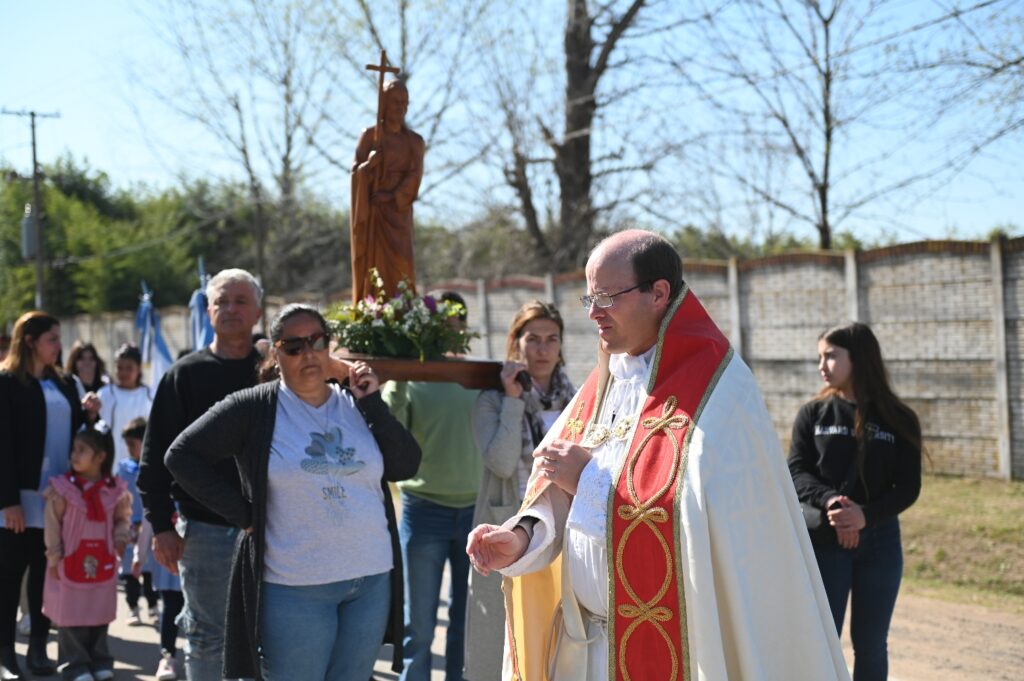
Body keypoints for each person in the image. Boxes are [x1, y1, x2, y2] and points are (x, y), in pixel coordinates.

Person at [466, 230, 849, 681]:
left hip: (678, 655)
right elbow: (560, 493)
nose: (593, 313)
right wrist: (524, 536)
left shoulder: (720, 394)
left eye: (606, 296)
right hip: (580, 650)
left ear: (659, 293)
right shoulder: (605, 382)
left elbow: (694, 518)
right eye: (588, 297)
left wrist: (588, 478)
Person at [165, 304, 421, 681]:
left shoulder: (355, 402)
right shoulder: (253, 408)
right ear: (275, 351)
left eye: (316, 342)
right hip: (295, 587)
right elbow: (181, 456)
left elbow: (405, 465)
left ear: (329, 346)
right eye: (294, 346)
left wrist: (372, 401)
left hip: (370, 580)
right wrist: (244, 514)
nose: (308, 353)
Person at [137, 268, 263, 681]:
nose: (230, 309)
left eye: (240, 300)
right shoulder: (183, 375)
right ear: (207, 311)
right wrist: (161, 526)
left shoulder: (277, 372)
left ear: (258, 311)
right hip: (205, 532)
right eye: (221, 302)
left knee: (267, 635)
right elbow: (156, 458)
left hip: (274, 529)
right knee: (207, 636)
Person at [788, 322, 923, 681]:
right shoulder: (812, 415)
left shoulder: (898, 419)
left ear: (859, 359)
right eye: (820, 356)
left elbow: (907, 487)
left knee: (871, 644)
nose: (822, 365)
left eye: (831, 356)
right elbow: (797, 471)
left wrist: (865, 515)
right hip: (824, 542)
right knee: (822, 642)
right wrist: (832, 502)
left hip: (879, 545)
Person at [464, 301, 575, 681]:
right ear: (516, 343)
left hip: (561, 530)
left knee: (553, 632)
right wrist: (513, 401)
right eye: (533, 339)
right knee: (500, 634)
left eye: (552, 339)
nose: (543, 349)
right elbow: (501, 463)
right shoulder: (491, 401)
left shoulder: (576, 399)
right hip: (505, 527)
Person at [381, 291, 480, 681]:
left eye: (456, 323)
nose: (448, 331)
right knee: (418, 626)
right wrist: (401, 374)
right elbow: (389, 428)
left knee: (465, 622)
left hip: (476, 512)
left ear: (464, 328)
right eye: (440, 323)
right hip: (424, 511)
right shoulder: (413, 377)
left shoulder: (479, 376)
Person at [1, 311, 96, 679]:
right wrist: (6, 500)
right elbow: (2, 444)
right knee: (9, 577)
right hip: (19, 499)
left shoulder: (66, 383)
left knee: (47, 574)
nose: (59, 346)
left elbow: (80, 438)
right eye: (52, 339)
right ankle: (6, 654)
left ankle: (39, 647)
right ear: (29, 341)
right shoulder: (7, 383)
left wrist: (88, 416)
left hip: (60, 498)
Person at [42, 423, 131, 681]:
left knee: (99, 611)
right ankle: (74, 665)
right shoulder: (63, 490)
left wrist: (120, 538)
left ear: (101, 457)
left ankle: (100, 660)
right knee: (71, 614)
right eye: (74, 449)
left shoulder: (113, 491)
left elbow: (122, 519)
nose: (74, 455)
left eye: (82, 450)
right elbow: (52, 525)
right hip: (68, 561)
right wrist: (53, 555)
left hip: (102, 559)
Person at [350, 78, 425, 302]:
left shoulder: (414, 141)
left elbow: (415, 175)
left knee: (403, 264)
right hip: (374, 213)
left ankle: (404, 311)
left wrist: (392, 197)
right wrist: (369, 166)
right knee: (374, 269)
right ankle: (373, 308)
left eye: (404, 103)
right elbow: (356, 173)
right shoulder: (369, 136)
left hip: (398, 214)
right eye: (395, 102)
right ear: (384, 104)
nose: (400, 108)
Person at [115, 417, 158, 627]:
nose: (130, 449)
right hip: (130, 527)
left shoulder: (155, 467)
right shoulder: (124, 469)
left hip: (150, 527)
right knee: (130, 571)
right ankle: (133, 607)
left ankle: (153, 606)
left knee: (150, 571)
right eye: (128, 445)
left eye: (134, 444)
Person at [135, 520, 184, 680]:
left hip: (202, 563)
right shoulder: (164, 496)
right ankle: (167, 657)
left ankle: (204, 661)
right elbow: (149, 524)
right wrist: (139, 556)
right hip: (171, 566)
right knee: (171, 609)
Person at [98, 344, 153, 468]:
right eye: (120, 368)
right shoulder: (105, 394)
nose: (123, 372)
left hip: (141, 467)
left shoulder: (150, 395)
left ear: (138, 369)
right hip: (111, 464)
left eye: (129, 368)